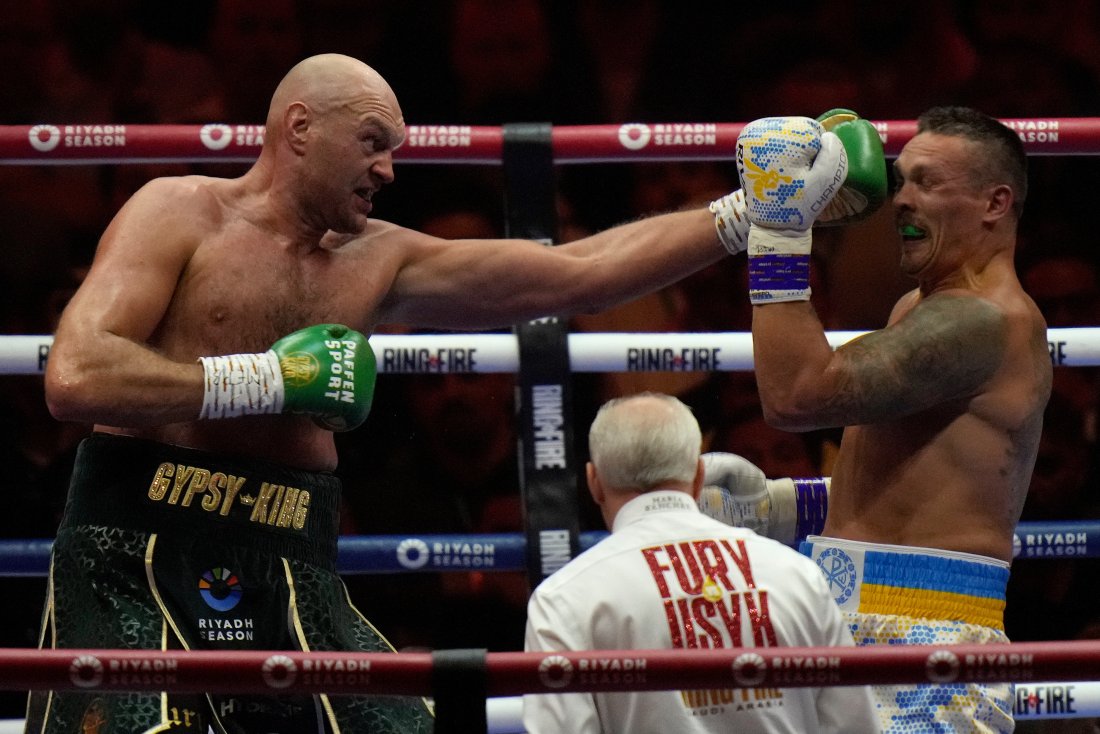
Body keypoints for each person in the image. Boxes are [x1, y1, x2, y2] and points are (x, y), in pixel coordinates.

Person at [36, 54, 880, 733]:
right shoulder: (180, 211)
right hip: (137, 545)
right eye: (373, 142)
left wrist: (750, 212)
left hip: (290, 558)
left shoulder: (379, 257)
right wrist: (262, 379)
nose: (388, 168)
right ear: (298, 128)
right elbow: (76, 375)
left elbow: (579, 273)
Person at [719, 107, 1052, 732]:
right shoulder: (917, 307)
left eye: (927, 182)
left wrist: (780, 233)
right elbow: (915, 479)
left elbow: (796, 396)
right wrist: (782, 507)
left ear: (995, 203)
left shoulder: (983, 320)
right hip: (842, 610)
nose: (901, 200)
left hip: (929, 632)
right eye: (901, 181)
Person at [523, 392, 876, 733]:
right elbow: (853, 724)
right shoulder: (796, 574)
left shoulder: (564, 598)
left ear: (594, 483)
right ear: (698, 478)